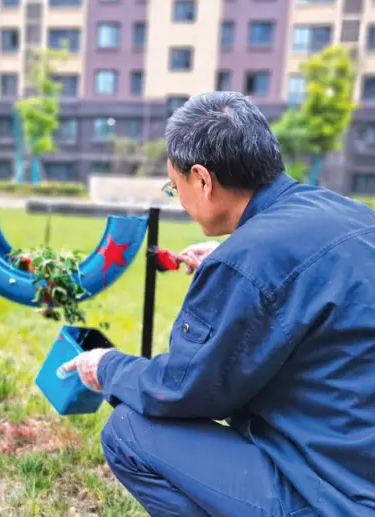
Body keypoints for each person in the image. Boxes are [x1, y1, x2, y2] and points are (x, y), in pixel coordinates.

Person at [60, 91, 375, 516]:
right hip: (356, 459)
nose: (179, 198)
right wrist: (237, 258)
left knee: (128, 432)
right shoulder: (349, 214)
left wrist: (108, 367)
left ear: (203, 179)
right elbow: (306, 273)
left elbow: (186, 389)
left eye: (175, 187)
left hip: (331, 495)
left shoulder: (249, 261)